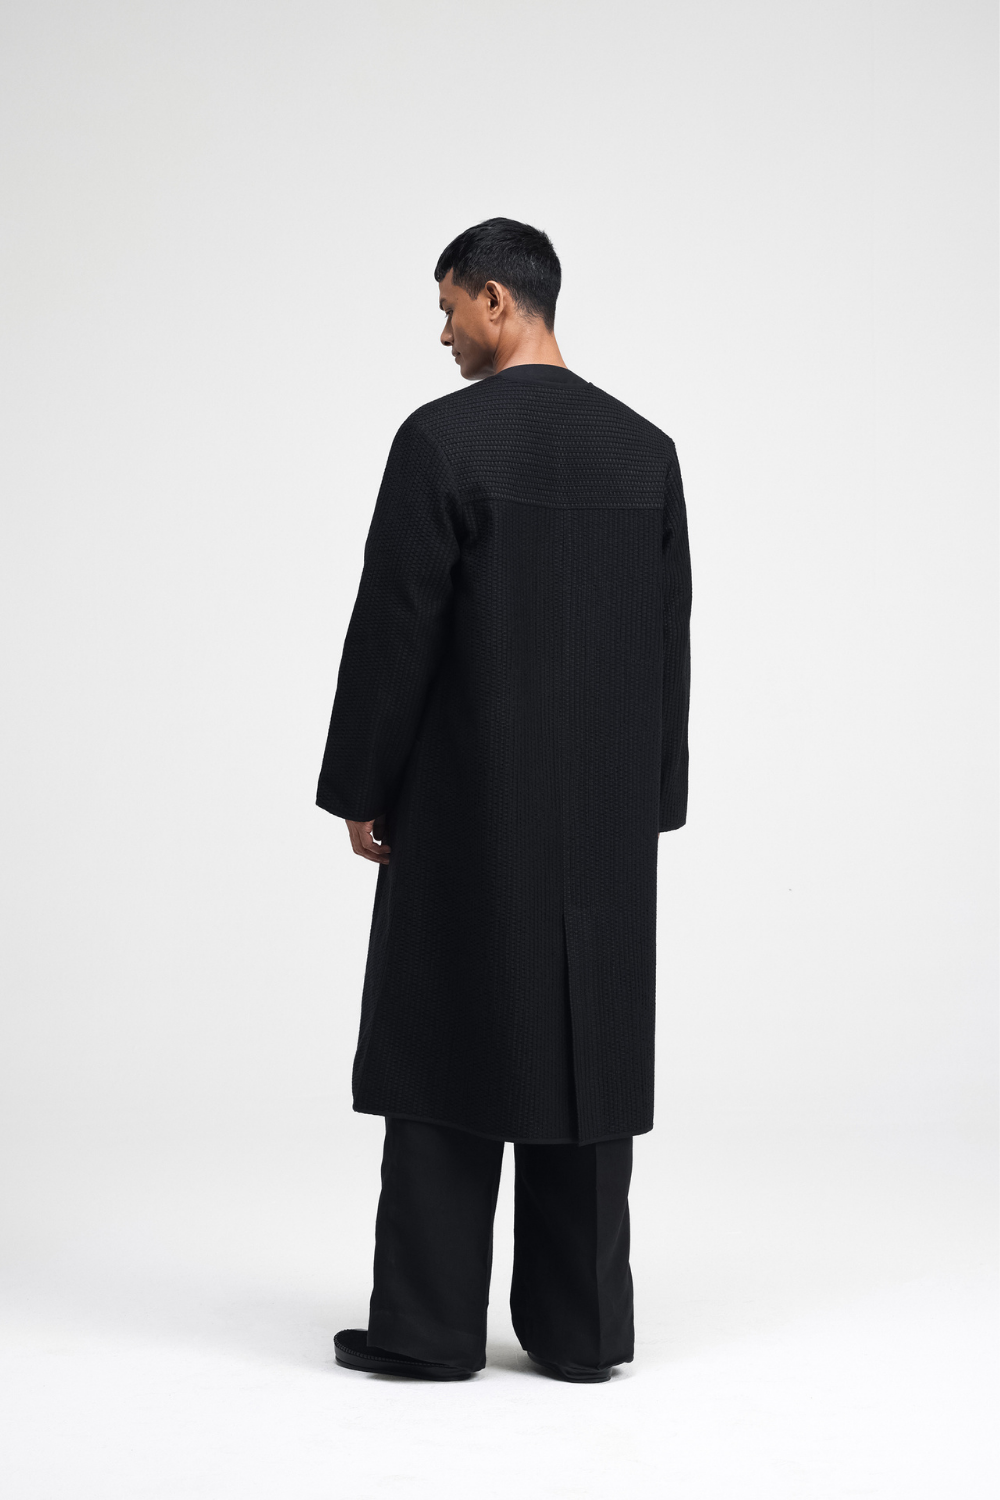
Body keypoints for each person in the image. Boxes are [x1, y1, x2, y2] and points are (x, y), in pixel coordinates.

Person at [316, 217, 692, 1382]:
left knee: (443, 1039)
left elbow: (396, 625)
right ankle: (583, 1332)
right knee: (589, 1050)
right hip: (604, 820)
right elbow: (668, 637)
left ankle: (429, 1329)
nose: (441, 334)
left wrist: (361, 783)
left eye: (447, 309)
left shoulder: (442, 441)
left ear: (496, 299)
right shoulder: (646, 451)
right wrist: (653, 797)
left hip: (468, 804)